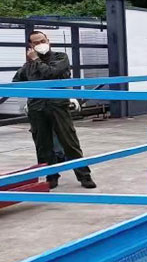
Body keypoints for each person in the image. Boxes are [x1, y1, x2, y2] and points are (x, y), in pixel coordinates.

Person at [13, 31, 95, 189]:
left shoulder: (60, 57)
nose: (40, 44)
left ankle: (84, 176)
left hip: (57, 105)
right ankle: (51, 176)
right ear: (31, 45)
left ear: (48, 40)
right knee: (43, 145)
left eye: (42, 41)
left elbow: (51, 73)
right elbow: (16, 81)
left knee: (69, 142)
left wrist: (36, 60)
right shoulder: (28, 65)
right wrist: (28, 92)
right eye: (36, 42)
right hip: (37, 108)